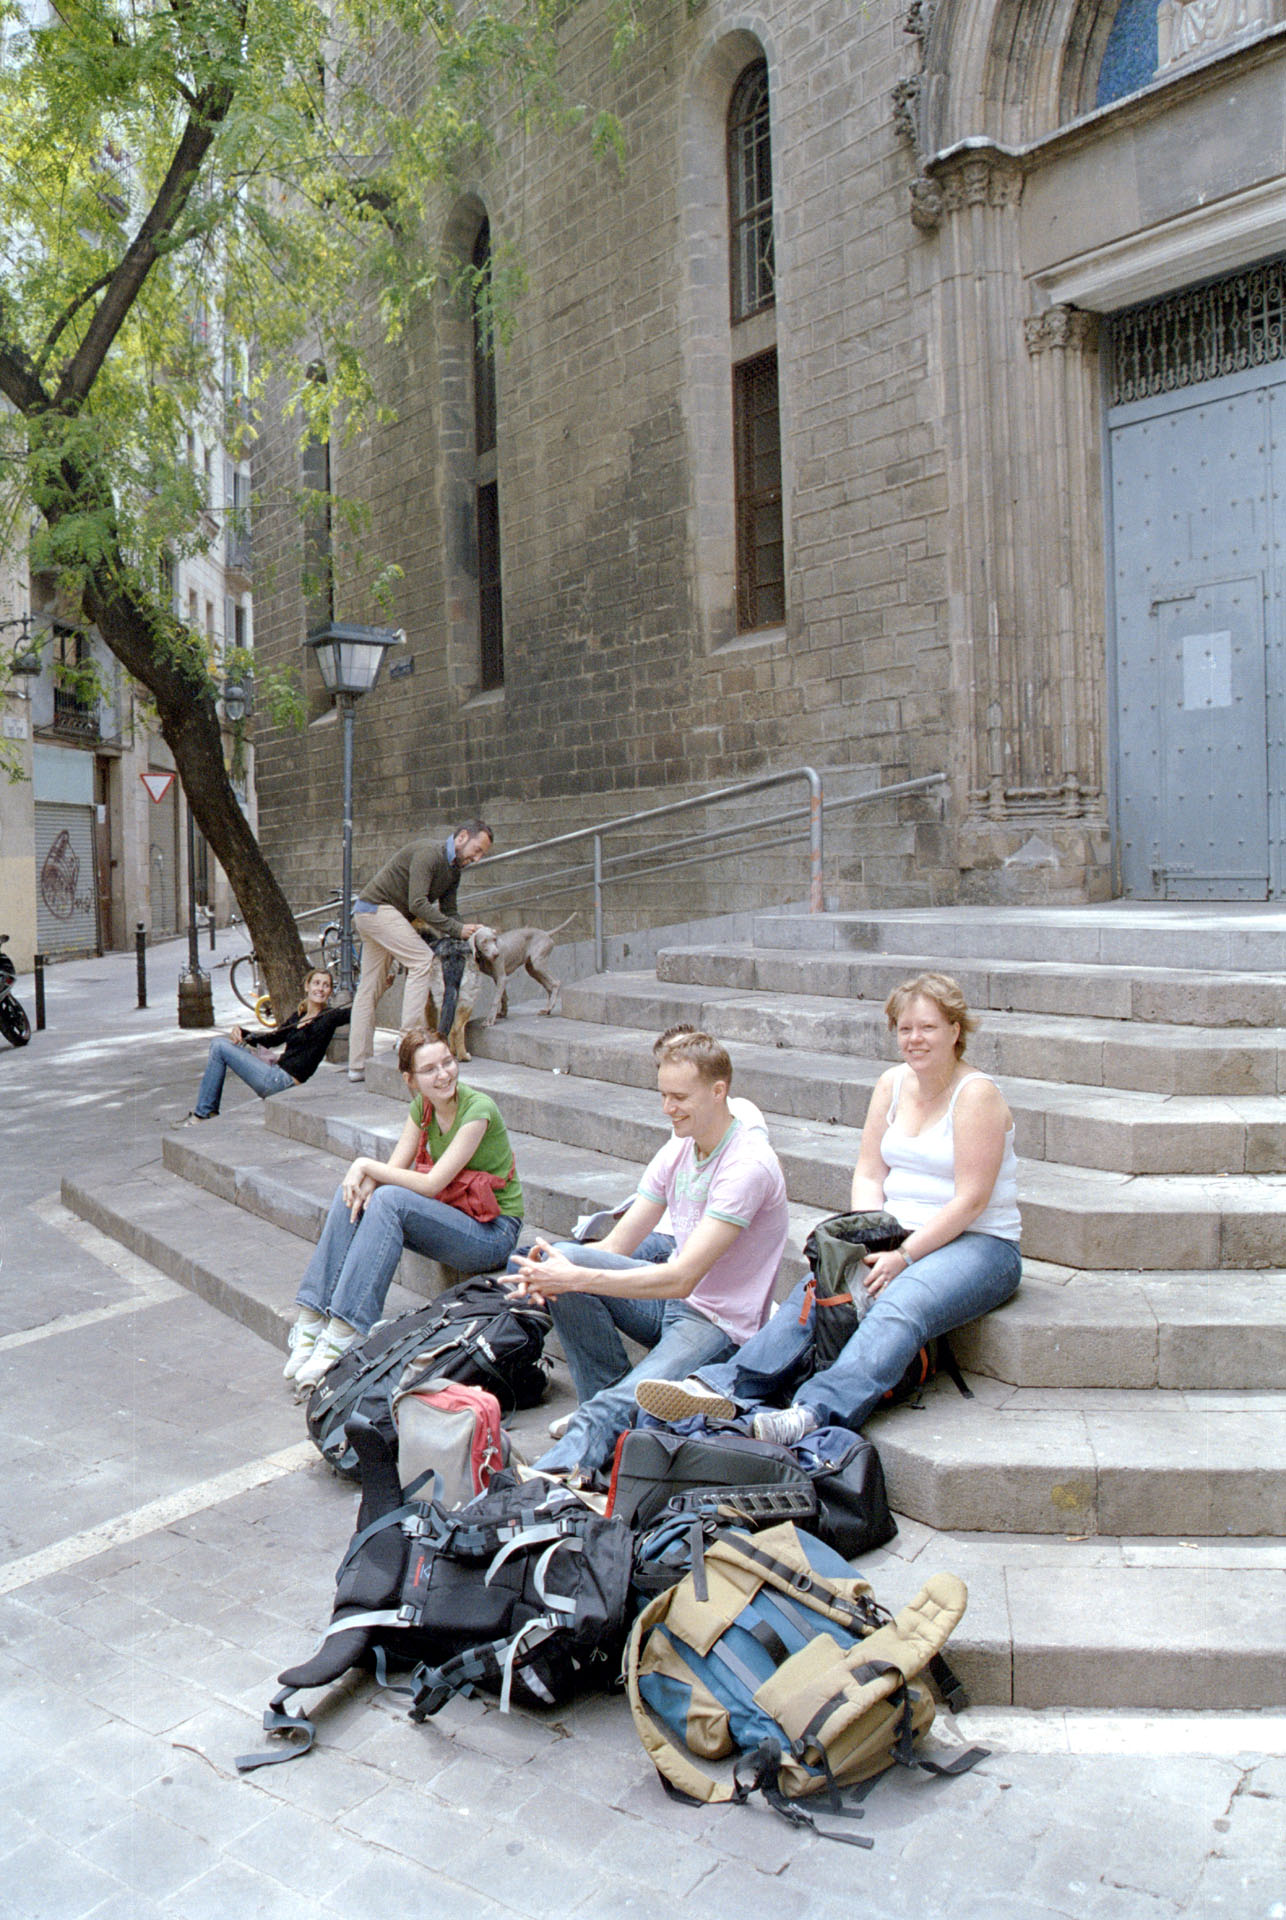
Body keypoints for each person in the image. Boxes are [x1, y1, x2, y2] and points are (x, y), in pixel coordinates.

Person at [638, 972, 1021, 1444]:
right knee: (817, 1288)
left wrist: (905, 1255)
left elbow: (971, 1199)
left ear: (955, 1031)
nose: (914, 1039)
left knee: (900, 1300)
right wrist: (864, 1238)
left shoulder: (976, 1093)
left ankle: (814, 1410)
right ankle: (724, 1387)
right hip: (897, 1232)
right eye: (905, 1028)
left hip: (980, 1244)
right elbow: (869, 1171)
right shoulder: (893, 1083)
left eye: (928, 1028)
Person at [508, 1030, 789, 1481]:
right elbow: (616, 1247)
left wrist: (574, 1278)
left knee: (574, 1277)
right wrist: (549, 1272)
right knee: (561, 1256)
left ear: (719, 1092)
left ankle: (544, 1482)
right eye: (662, 1095)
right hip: (672, 1304)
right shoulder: (680, 1145)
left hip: (719, 1325)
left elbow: (682, 1278)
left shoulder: (747, 1165)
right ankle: (607, 1417)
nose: (667, 1108)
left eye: (679, 1097)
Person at [285, 1028, 523, 1389]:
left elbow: (431, 1184)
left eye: (447, 1062)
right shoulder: (422, 1109)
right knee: (356, 1193)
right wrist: (362, 1177)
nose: (443, 1074)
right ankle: (310, 1319)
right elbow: (391, 1173)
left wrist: (363, 1163)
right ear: (410, 1080)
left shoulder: (478, 1110)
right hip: (457, 1218)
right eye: (430, 1070)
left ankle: (342, 1333)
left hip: (493, 1233)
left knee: (386, 1198)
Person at [347, 820, 494, 1082]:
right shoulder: (429, 854)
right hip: (376, 909)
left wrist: (466, 932)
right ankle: (407, 1043)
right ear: (462, 837)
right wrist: (456, 929)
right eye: (477, 849)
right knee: (422, 960)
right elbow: (417, 903)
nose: (478, 858)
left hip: (372, 913)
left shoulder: (454, 871)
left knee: (369, 989)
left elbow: (449, 913)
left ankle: (357, 1066)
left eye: (482, 854)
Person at [176, 969, 350, 1125]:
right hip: (275, 1072)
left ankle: (204, 1113)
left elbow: (354, 1012)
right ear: (307, 986)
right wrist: (243, 1033)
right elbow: (271, 1039)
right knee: (221, 1045)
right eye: (317, 983)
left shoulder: (330, 1016)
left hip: (282, 1082)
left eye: (326, 985)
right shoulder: (298, 1016)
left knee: (218, 1045)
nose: (320, 988)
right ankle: (207, 1110)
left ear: (330, 992)